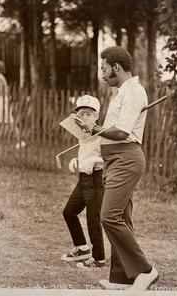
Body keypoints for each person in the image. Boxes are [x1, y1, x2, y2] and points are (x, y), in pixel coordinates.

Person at [75, 46, 158, 290]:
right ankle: (123, 280)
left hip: (126, 159)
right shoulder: (121, 91)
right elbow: (114, 130)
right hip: (114, 159)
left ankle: (146, 270)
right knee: (122, 217)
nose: (102, 74)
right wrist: (96, 129)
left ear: (116, 68)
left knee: (109, 216)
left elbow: (122, 133)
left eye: (104, 69)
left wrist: (94, 129)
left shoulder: (134, 92)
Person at [61, 95, 106, 269]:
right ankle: (82, 248)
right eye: (81, 114)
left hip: (96, 178)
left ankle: (99, 258)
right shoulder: (82, 133)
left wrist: (96, 162)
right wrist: (76, 160)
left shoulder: (102, 134)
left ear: (96, 116)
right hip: (84, 178)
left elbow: (105, 157)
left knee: (93, 219)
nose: (84, 117)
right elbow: (86, 153)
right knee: (69, 212)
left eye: (88, 113)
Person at [0, 59, 26, 149]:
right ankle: (20, 141)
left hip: (1, 102)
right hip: (0, 101)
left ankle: (20, 141)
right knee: (0, 121)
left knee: (0, 121)